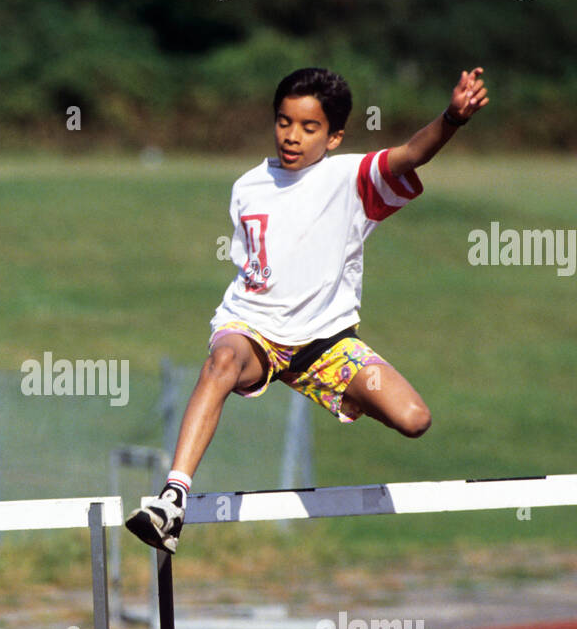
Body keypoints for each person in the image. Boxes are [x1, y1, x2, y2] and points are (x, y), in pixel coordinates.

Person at [125, 65, 489, 554]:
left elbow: (410, 153)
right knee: (223, 361)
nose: (292, 136)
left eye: (309, 127)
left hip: (326, 344)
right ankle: (173, 500)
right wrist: (246, 330)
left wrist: (452, 118)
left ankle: (345, 393)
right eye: (284, 122)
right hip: (253, 331)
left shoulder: (352, 177)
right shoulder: (248, 187)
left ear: (335, 136)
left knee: (413, 418)